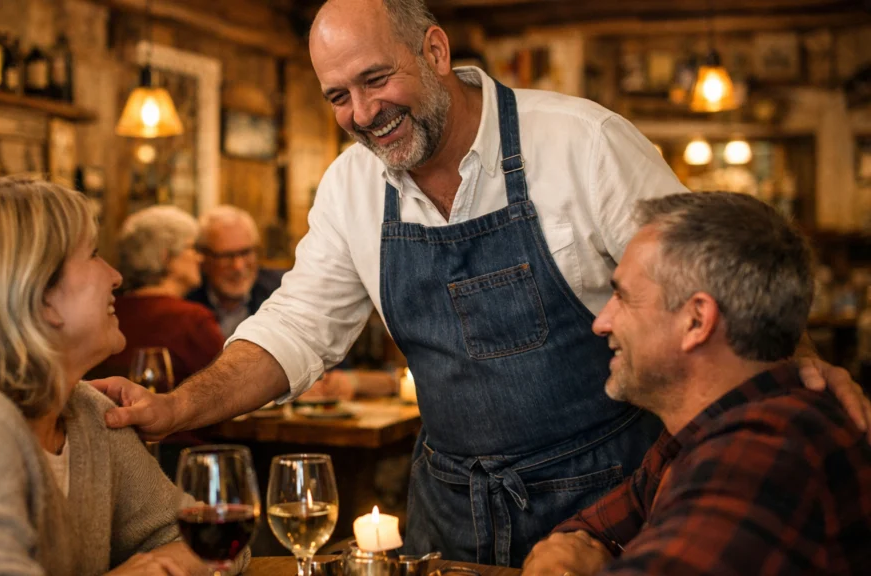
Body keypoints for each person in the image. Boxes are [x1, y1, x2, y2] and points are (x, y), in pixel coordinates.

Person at [92, 0, 870, 567]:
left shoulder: (578, 142)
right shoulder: (351, 187)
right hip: (449, 508)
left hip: (607, 502)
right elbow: (297, 326)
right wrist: (177, 405)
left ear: (433, 50)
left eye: (374, 79)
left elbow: (704, 274)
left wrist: (788, 372)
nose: (361, 115)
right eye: (337, 97)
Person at [0, 177, 249, 576]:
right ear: (37, 294)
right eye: (93, 254)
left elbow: (212, 539)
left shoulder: (86, 412)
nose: (115, 276)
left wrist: (161, 564)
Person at [521, 192, 871, 576]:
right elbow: (577, 536)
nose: (602, 322)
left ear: (696, 320)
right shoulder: (697, 433)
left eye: (622, 297)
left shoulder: (766, 454)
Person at [98, 205, 223, 386]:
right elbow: (229, 387)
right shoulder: (192, 320)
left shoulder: (107, 312)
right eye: (191, 248)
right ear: (166, 257)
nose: (199, 258)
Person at [186, 205, 285, 339]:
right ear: (203, 257)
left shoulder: (282, 293)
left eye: (245, 252)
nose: (238, 267)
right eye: (226, 256)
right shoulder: (186, 304)